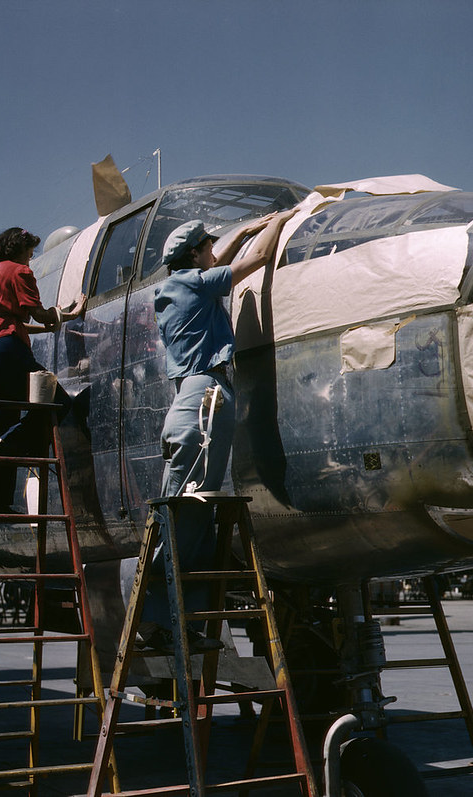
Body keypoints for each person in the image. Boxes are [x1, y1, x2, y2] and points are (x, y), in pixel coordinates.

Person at [135, 210, 295, 653]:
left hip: (197, 399)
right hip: (205, 401)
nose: (213, 250)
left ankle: (178, 626)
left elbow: (214, 258)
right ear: (195, 255)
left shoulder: (177, 285)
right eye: (208, 246)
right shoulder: (194, 283)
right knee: (186, 516)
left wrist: (239, 229)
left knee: (195, 517)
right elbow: (259, 257)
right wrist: (280, 221)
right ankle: (157, 624)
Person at [0, 227, 86, 512]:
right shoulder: (19, 272)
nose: (30, 259)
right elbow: (37, 313)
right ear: (20, 249)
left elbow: (10, 321)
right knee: (58, 401)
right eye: (29, 253)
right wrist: (67, 314)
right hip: (9, 350)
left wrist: (51, 322)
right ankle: (12, 445)